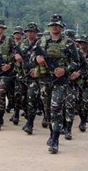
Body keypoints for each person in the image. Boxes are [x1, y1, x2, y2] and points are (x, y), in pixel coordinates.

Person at [30, 14, 80, 154]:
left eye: (57, 25)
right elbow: (31, 57)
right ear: (49, 26)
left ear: (62, 27)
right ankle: (52, 134)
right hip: (45, 79)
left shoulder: (69, 43)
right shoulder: (41, 42)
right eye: (53, 25)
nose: (55, 27)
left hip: (60, 82)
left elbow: (77, 62)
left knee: (56, 109)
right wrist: (37, 59)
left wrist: (65, 70)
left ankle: (56, 140)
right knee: (47, 111)